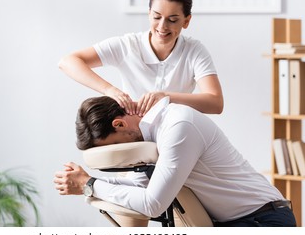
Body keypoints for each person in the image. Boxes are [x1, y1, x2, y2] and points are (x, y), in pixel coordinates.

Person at [54, 96, 297, 227]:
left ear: (119, 124)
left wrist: (90, 184)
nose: (120, 155)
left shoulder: (177, 127)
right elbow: (142, 189)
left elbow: (153, 204)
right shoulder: (148, 140)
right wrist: (88, 181)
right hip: (233, 223)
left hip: (263, 221)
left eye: (114, 147)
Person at [58, 0, 224, 117]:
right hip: (132, 131)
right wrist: (110, 90)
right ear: (149, 13)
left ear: (186, 21)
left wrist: (166, 97)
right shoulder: (128, 45)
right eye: (157, 17)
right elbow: (67, 62)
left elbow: (215, 103)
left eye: (172, 20)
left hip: (176, 129)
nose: (162, 26)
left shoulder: (194, 50)